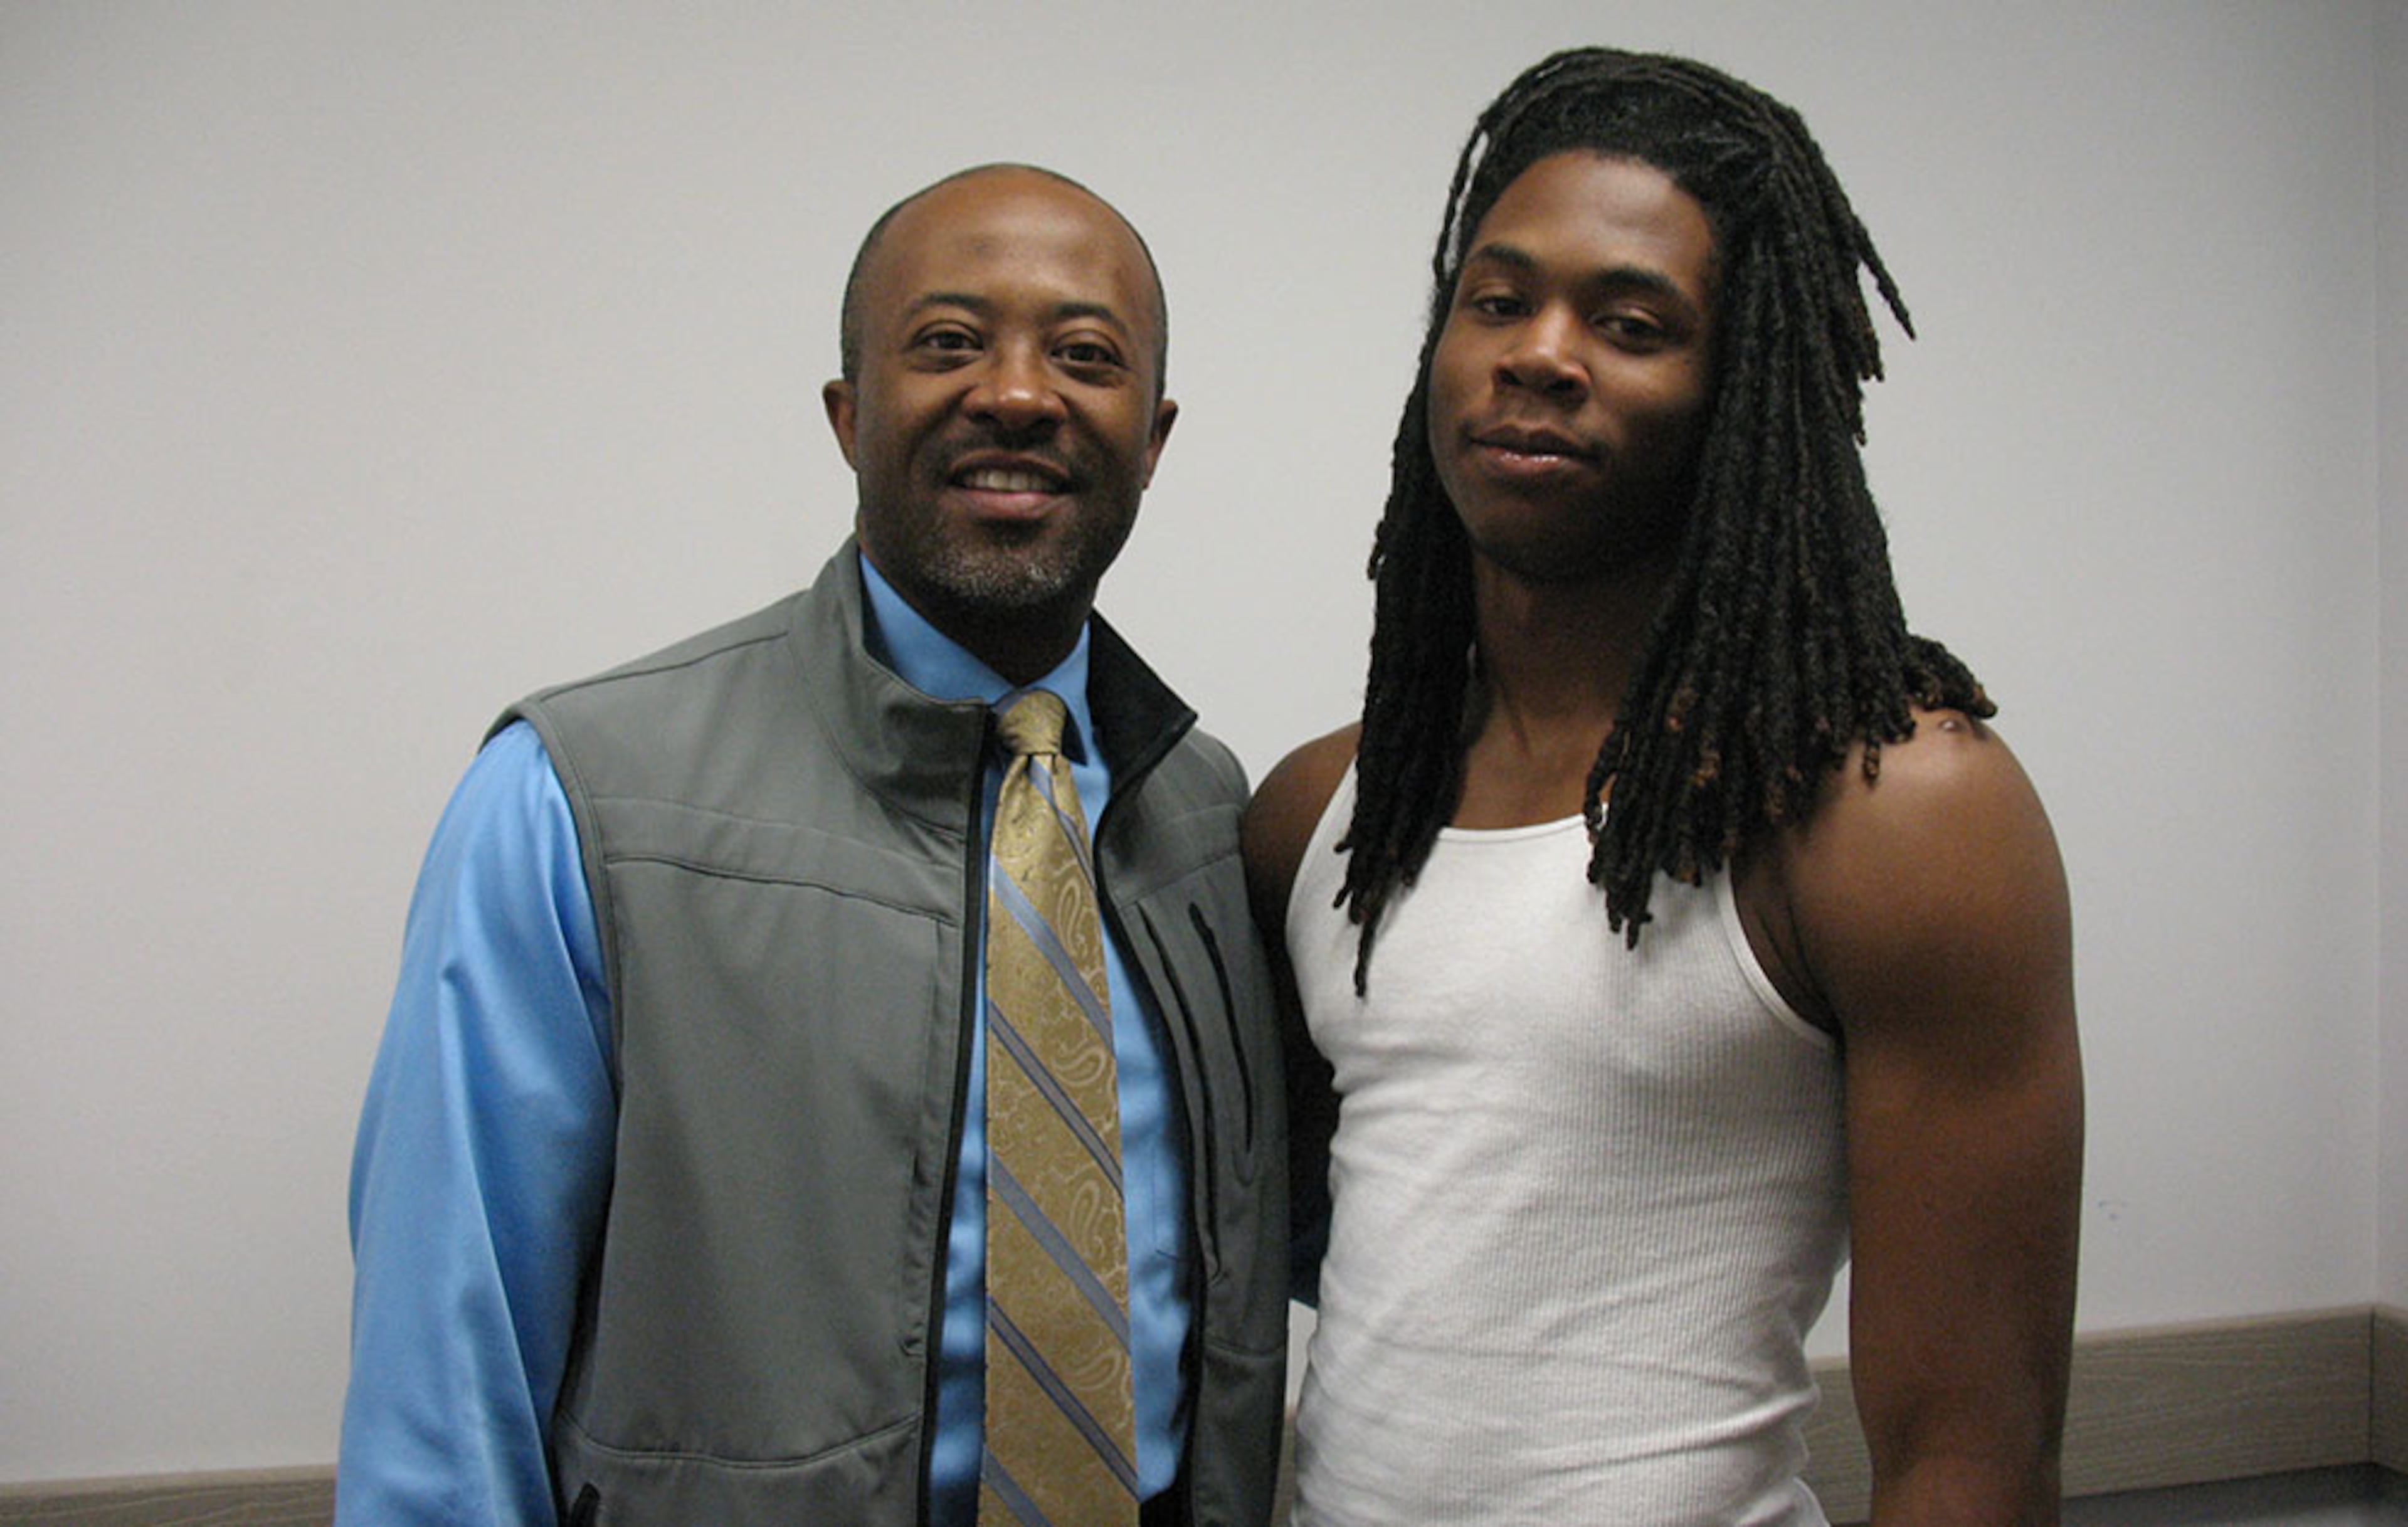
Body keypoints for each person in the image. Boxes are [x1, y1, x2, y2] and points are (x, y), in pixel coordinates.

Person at [339, 164, 1289, 1526]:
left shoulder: (1200, 815)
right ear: (849, 417)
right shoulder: (578, 804)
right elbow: (444, 1380)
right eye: (948, 342)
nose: (1017, 393)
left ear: (1152, 438)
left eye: (1085, 357)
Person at [1245, 50, 2083, 1526]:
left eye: (1630, 323)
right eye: (1495, 301)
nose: (1541, 352)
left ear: (1743, 390)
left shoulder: (1893, 813)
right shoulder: (1324, 818)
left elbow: (1972, 1457)